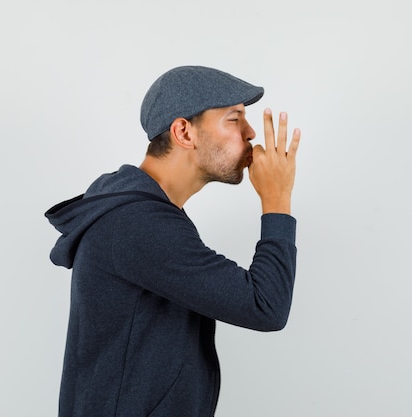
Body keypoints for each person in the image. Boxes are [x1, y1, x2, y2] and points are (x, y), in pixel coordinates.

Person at [45, 65, 301, 417]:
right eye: (234, 118)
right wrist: (277, 199)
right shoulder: (136, 223)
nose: (251, 132)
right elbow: (265, 307)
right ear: (184, 131)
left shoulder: (141, 213)